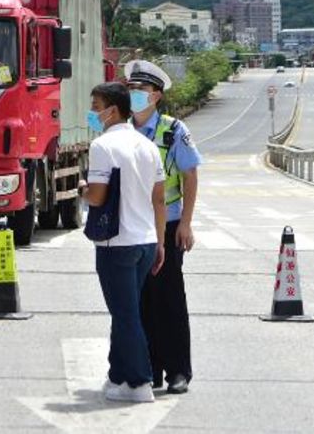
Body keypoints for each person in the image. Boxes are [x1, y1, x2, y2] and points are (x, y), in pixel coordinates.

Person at [84, 82, 167, 403]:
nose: (93, 113)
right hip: (146, 241)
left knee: (126, 314)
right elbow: (159, 199)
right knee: (125, 311)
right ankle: (118, 376)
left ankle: (140, 381)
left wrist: (81, 189)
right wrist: (160, 243)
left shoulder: (102, 146)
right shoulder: (146, 145)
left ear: (112, 110)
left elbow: (97, 195)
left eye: (95, 106)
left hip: (116, 243)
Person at [127, 60, 203, 395]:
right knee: (138, 301)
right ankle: (148, 370)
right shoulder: (121, 129)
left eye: (141, 91)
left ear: (156, 95)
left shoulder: (173, 130)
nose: (134, 95)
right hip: (132, 227)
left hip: (168, 225)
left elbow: (190, 174)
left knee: (169, 300)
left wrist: (186, 223)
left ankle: (178, 371)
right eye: (131, 89)